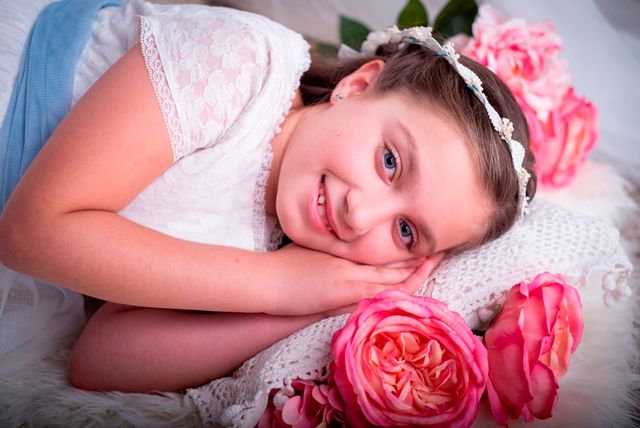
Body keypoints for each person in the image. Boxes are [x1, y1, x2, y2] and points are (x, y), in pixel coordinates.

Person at [0, 0, 536, 392]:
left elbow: (101, 360)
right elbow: (31, 231)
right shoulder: (243, 63)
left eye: (405, 231)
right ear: (358, 86)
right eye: (390, 161)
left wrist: (310, 303)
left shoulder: (279, 244)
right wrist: (277, 285)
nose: (361, 213)